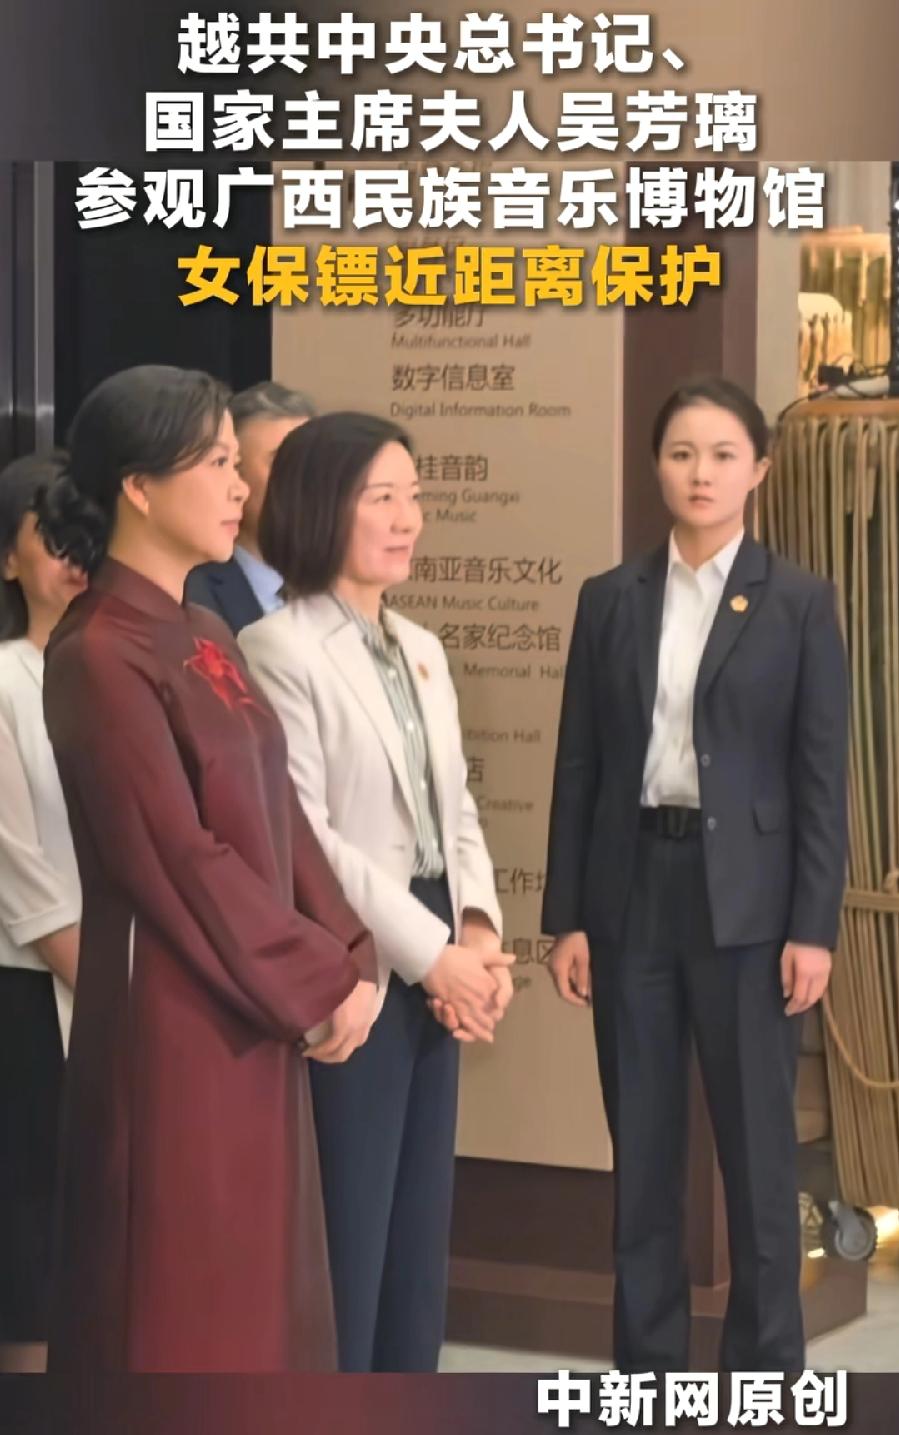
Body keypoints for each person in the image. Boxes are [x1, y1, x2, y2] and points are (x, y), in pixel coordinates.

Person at [36, 366, 379, 1374]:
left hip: (254, 1004)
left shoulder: (205, 631)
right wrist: (317, 976)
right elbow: (176, 859)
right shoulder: (99, 651)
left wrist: (352, 951)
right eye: (219, 462)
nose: (241, 486)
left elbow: (282, 816)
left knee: (263, 1292)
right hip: (174, 1019)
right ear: (139, 485)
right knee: (181, 1295)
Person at [542, 377, 849, 1374]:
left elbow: (819, 777)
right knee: (642, 1152)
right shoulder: (609, 599)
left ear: (757, 469)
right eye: (680, 453)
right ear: (655, 467)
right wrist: (567, 916)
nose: (699, 472)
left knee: (757, 1157)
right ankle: (648, 1374)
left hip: (751, 909)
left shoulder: (797, 601)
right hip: (631, 890)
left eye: (721, 454)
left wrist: (813, 926)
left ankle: (762, 1376)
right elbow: (579, 764)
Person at [239, 412, 513, 1372]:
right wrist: (431, 954)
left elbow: (454, 803)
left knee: (415, 1240)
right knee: (350, 1238)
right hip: (351, 959)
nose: (407, 519)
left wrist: (476, 931)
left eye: (414, 497)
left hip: (436, 939)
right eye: (381, 497)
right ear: (323, 505)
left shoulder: (420, 646)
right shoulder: (277, 647)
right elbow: (310, 835)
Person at [0, 452, 84, 1374]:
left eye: (84, 535)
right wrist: (110, 985)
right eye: (50, 536)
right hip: (31, 992)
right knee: (35, 1224)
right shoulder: (5, 680)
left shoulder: (130, 669)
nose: (73, 555)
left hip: (135, 983)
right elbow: (20, 871)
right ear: (7, 558)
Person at [186, 380, 315, 632]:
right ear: (234, 473)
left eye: (314, 461)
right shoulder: (191, 597)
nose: (307, 479)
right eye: (284, 461)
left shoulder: (340, 585)